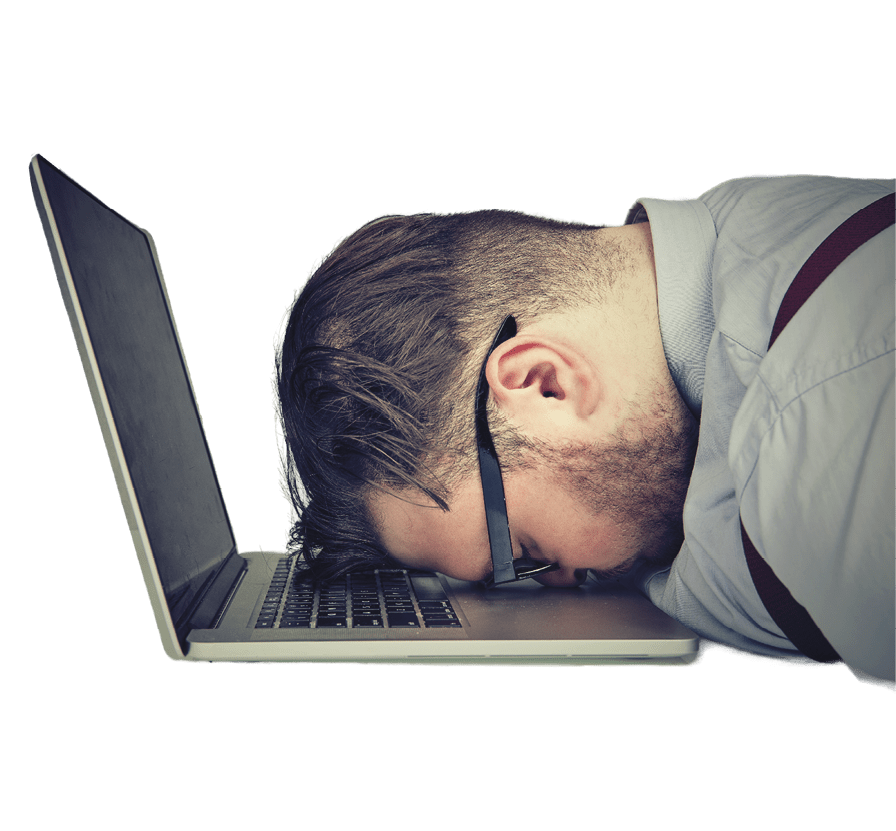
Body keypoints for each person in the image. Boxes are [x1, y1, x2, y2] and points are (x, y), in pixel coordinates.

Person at [274, 175, 895, 684]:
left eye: (521, 557)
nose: (564, 588)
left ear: (544, 382)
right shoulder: (754, 230)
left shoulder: (825, 440)